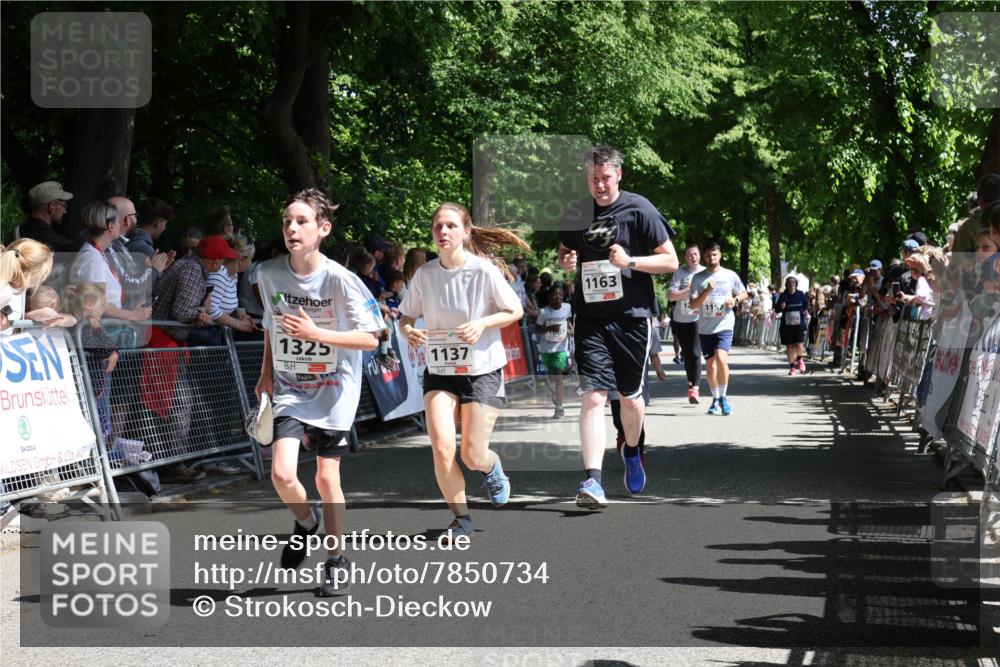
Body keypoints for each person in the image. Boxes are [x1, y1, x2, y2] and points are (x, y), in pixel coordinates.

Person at [255, 188, 384, 597]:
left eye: (302, 221)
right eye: (287, 221)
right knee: (281, 473)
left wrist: (316, 333)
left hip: (335, 388)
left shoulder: (341, 279)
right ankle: (307, 522)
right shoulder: (267, 273)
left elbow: (372, 340)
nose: (292, 228)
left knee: (328, 478)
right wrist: (265, 374)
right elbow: (272, 328)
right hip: (293, 385)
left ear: (322, 229)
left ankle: (336, 560)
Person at [557, 145, 678, 507]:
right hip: (590, 317)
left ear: (618, 175)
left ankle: (631, 448)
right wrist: (566, 261)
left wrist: (630, 261)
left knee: (630, 399)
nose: (599, 185)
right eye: (593, 179)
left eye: (605, 178)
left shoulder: (640, 209)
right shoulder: (576, 212)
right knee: (593, 396)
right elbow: (564, 253)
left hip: (632, 318)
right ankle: (593, 481)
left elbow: (670, 261)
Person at [399, 202, 527, 541]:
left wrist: (483, 322)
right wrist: (410, 332)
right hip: (440, 370)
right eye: (438, 226)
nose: (443, 231)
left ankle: (491, 466)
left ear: (466, 232)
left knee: (471, 454)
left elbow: (514, 310)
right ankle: (461, 519)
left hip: (482, 369)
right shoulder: (425, 275)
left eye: (451, 226)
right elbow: (406, 318)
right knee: (442, 448)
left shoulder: (483, 271)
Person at [688, 240, 748, 416]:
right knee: (710, 364)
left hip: (725, 324)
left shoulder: (730, 275)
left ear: (720, 255)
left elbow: (744, 293)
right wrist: (706, 291)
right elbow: (693, 304)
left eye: (714, 254)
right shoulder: (698, 278)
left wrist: (735, 300)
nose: (711, 258)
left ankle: (724, 397)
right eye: (708, 255)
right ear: (704, 257)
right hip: (706, 327)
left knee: (721, 359)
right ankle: (715, 399)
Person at [69, 202, 153, 325]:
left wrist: (132, 309)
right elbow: (99, 305)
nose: (121, 225)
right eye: (118, 222)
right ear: (111, 226)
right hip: (98, 331)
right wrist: (133, 315)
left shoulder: (97, 254)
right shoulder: (93, 258)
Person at [66, 282, 119, 443]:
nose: (105, 308)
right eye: (102, 305)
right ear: (89, 304)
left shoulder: (85, 326)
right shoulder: (82, 328)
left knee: (99, 425)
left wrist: (114, 352)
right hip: (88, 388)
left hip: (93, 386)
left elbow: (110, 349)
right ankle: (93, 461)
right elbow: (105, 350)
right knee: (97, 427)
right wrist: (99, 331)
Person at [668, 243, 705, 403]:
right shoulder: (680, 273)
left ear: (699, 256)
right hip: (681, 319)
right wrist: (688, 291)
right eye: (689, 255)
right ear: (685, 257)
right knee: (687, 354)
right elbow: (671, 296)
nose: (693, 257)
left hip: (699, 318)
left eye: (695, 254)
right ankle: (690, 384)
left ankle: (695, 389)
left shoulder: (706, 272)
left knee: (696, 353)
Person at [536, 283, 572, 418]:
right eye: (554, 295)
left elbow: (567, 320)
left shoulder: (567, 307)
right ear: (549, 297)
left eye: (560, 294)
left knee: (558, 376)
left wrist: (570, 327)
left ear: (563, 296)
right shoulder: (544, 312)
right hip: (547, 348)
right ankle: (554, 393)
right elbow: (537, 329)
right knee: (551, 378)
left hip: (561, 347)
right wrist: (549, 329)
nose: (557, 297)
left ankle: (559, 407)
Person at [7, 181, 77, 251]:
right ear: (52, 207)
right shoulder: (62, 245)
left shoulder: (12, 236)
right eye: (64, 206)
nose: (65, 211)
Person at [775, 276, 809, 375]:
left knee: (799, 345)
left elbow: (806, 306)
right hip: (787, 325)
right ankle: (792, 368)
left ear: (796, 284)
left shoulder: (801, 294)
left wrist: (806, 313)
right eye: (789, 283)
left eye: (793, 282)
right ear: (786, 285)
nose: (791, 284)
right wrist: (781, 307)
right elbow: (777, 309)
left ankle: (800, 359)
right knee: (789, 347)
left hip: (799, 324)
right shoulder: (783, 296)